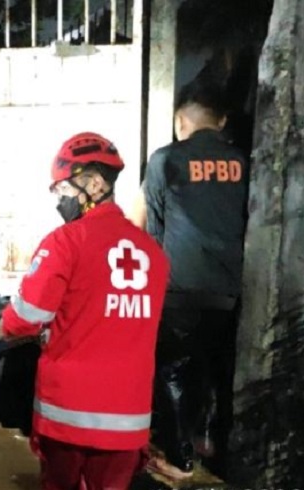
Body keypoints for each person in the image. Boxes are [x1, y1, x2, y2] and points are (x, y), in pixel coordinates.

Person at [0, 133, 170, 490]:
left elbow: (26, 317)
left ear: (95, 183)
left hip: (68, 413)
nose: (59, 201)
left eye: (62, 190)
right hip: (129, 416)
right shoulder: (154, 254)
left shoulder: (65, 242)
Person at [142, 81, 248, 479]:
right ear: (221, 121)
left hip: (179, 289)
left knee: (172, 371)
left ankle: (179, 458)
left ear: (180, 121)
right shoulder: (244, 161)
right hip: (229, 290)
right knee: (220, 371)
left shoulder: (165, 160)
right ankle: (216, 453)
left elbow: (154, 232)